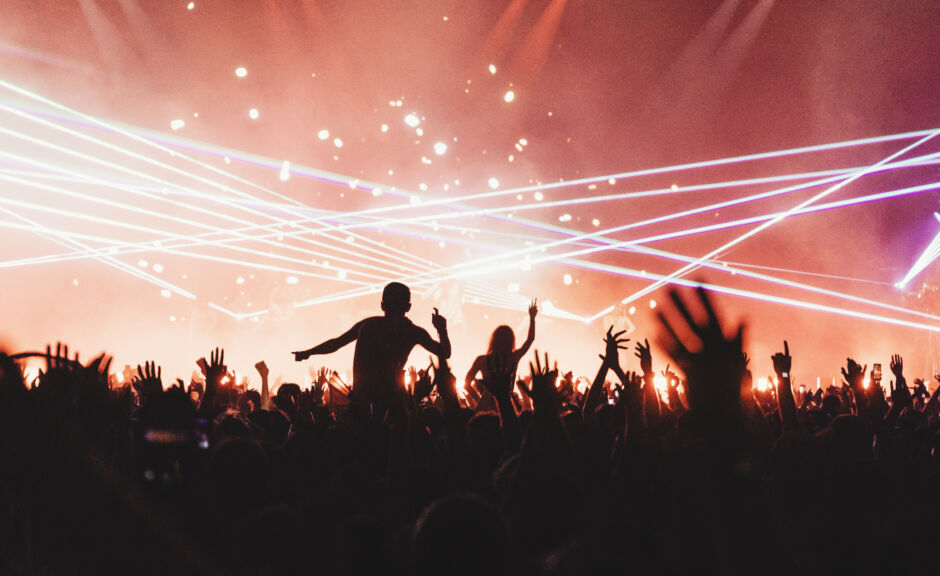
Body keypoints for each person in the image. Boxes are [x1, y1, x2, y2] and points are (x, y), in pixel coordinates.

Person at [292, 282, 450, 408]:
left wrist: (308, 352)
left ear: (382, 305)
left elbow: (336, 344)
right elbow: (445, 353)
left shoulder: (367, 325)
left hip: (361, 401)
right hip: (390, 404)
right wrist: (442, 330)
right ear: (408, 307)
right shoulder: (413, 332)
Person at [464, 299, 537, 392]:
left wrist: (479, 398)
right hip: (507, 400)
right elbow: (530, 339)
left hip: (487, 400)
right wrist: (532, 318)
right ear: (511, 341)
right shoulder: (513, 357)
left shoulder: (481, 360)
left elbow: (466, 384)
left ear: (493, 340)